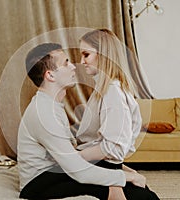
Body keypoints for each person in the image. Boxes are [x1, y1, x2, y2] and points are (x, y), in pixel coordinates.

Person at [18, 42, 142, 200]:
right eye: (66, 63)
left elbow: (72, 156)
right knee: (134, 193)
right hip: (38, 184)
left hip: (57, 172)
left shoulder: (51, 104)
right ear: (50, 75)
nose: (74, 67)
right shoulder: (43, 113)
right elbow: (78, 170)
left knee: (129, 186)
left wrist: (125, 171)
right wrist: (127, 177)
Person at [76, 28, 160, 200]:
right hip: (102, 166)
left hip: (103, 168)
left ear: (104, 55)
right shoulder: (106, 88)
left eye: (86, 55)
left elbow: (113, 147)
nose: (81, 61)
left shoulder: (111, 91)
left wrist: (73, 158)